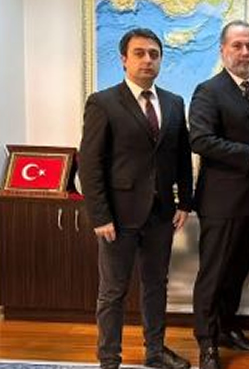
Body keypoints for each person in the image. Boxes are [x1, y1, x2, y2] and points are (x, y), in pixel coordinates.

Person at [79, 28, 193, 369]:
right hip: (118, 216)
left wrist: (185, 203)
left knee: (156, 286)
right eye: (140, 53)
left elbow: (181, 157)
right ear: (123, 60)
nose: (147, 60)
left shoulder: (174, 102)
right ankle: (109, 358)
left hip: (161, 215)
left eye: (154, 54)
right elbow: (90, 163)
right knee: (113, 291)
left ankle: (155, 352)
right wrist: (100, 216)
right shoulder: (103, 102)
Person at [189, 20, 249, 369]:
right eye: (237, 45)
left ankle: (226, 328)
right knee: (213, 275)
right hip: (221, 201)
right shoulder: (208, 91)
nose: (245, 52)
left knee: (236, 272)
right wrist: (248, 155)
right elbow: (200, 140)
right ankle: (207, 343)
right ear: (223, 50)